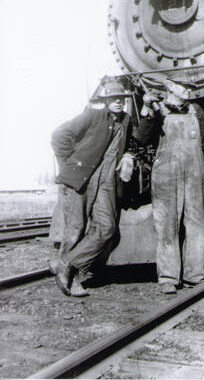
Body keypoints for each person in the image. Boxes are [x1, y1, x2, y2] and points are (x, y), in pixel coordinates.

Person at [135, 75, 204, 294]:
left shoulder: (196, 111)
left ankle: (195, 276)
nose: (188, 91)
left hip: (194, 175)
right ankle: (168, 278)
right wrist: (147, 111)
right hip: (165, 175)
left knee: (196, 223)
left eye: (190, 88)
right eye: (184, 87)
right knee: (166, 226)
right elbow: (142, 139)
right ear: (171, 87)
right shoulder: (158, 109)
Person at [49, 81, 135, 296]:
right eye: (114, 99)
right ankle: (74, 280)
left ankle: (67, 263)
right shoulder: (93, 116)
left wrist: (128, 155)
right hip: (83, 179)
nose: (118, 102)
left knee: (106, 228)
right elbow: (60, 134)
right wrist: (70, 161)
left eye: (122, 99)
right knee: (77, 228)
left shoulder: (125, 121)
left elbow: (133, 141)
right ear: (106, 101)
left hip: (106, 181)